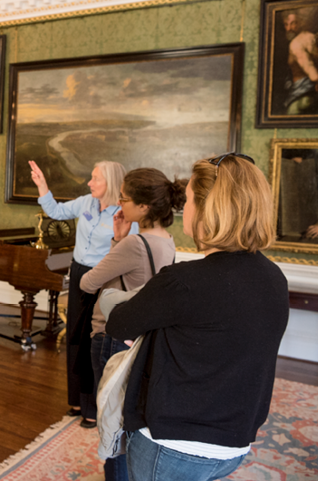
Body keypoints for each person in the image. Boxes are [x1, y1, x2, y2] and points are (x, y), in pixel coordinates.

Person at [106, 153, 289, 481]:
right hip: (235, 444)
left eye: (188, 199)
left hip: (174, 446)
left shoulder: (185, 280)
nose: (182, 208)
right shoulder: (274, 277)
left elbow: (119, 323)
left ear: (210, 210)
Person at [79, 168, 185, 481]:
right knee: (127, 416)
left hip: (112, 337)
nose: (119, 204)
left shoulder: (135, 245)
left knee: (111, 423)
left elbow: (88, 282)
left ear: (144, 207)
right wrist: (119, 239)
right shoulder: (167, 240)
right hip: (140, 337)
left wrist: (118, 243)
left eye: (124, 199)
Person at [29, 160, 135, 429]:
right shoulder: (86, 202)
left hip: (103, 278)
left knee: (94, 341)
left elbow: (126, 251)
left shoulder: (124, 213)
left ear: (109, 182)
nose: (90, 182)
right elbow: (55, 210)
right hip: (78, 275)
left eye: (95, 178)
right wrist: (42, 185)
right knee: (75, 336)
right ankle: (75, 400)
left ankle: (92, 408)